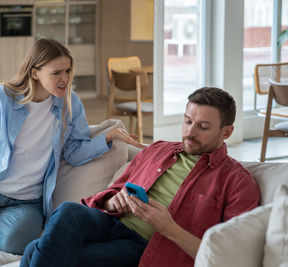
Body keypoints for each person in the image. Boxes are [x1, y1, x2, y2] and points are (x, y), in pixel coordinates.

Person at [0, 38, 144, 255]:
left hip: (26, 202)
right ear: (35, 73)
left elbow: (74, 151)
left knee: (16, 245)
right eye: (57, 72)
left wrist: (107, 138)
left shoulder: (70, 104)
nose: (65, 78)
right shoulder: (1, 96)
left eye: (68, 71)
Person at [20, 87, 261, 267]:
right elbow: (113, 191)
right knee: (67, 211)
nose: (190, 132)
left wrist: (168, 228)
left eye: (203, 127)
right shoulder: (159, 150)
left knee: (34, 250)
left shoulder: (237, 182)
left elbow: (231, 257)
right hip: (112, 223)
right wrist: (113, 202)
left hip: (145, 247)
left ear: (227, 132)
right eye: (187, 122)